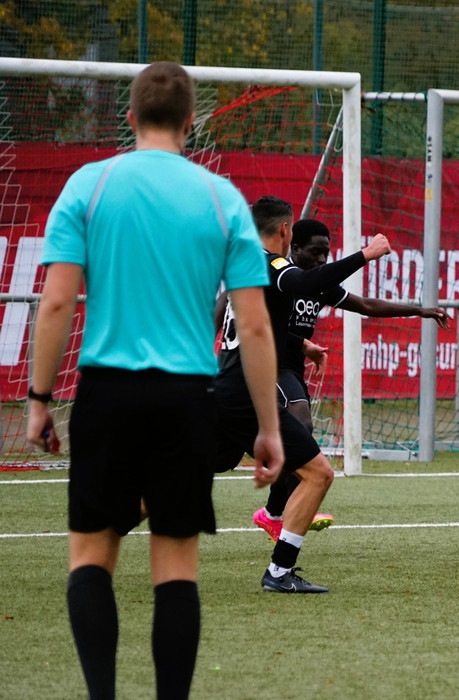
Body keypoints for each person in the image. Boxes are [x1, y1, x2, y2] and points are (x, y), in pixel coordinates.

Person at [26, 62, 283, 700]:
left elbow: (55, 303)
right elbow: (254, 326)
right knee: (176, 568)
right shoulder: (221, 198)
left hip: (106, 394)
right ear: (191, 121)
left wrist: (38, 401)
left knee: (91, 557)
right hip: (186, 400)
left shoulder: (89, 185)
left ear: (131, 117)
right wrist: (269, 428)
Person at [214, 196, 389, 593]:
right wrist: (366, 254)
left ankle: (108, 521)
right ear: (284, 230)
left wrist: (301, 344)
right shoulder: (273, 265)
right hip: (246, 393)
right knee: (319, 473)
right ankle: (279, 571)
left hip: (225, 387)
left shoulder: (243, 264)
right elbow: (305, 282)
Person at [252, 218, 450, 540]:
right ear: (294, 248)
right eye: (315, 252)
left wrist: (419, 310)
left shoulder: (319, 285)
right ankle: (282, 509)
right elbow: (258, 324)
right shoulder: (283, 278)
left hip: (291, 370)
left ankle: (273, 513)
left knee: (296, 434)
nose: (321, 259)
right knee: (300, 427)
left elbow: (366, 304)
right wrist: (302, 343)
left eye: (326, 253)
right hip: (267, 366)